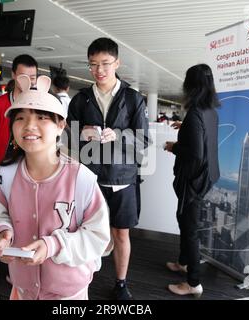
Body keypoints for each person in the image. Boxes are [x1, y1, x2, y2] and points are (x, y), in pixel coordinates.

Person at [0, 75, 110, 300]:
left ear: (60, 125)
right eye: (20, 118)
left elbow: (98, 237)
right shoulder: (6, 175)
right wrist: (2, 233)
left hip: (69, 295)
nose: (29, 126)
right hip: (22, 291)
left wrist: (53, 245)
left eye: (41, 117)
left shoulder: (81, 179)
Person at [67, 37, 150, 300]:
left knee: (120, 232)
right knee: (86, 230)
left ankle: (121, 282)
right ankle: (83, 280)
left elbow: (143, 141)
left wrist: (118, 135)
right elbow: (67, 137)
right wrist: (83, 133)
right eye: (93, 65)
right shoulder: (81, 99)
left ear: (117, 63)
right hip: (90, 178)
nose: (99, 70)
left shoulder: (133, 99)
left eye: (105, 64)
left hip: (122, 178)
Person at [164, 63, 220, 298]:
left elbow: (196, 153)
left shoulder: (196, 112)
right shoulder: (210, 111)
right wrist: (184, 127)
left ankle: (193, 282)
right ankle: (184, 262)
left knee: (190, 228)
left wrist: (174, 146)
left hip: (194, 180)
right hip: (207, 175)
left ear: (190, 85)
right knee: (184, 219)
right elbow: (203, 139)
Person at [0, 54, 38, 165]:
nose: (28, 82)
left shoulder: (41, 106)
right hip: (0, 165)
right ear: (13, 75)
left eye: (32, 78)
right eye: (23, 77)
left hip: (30, 167)